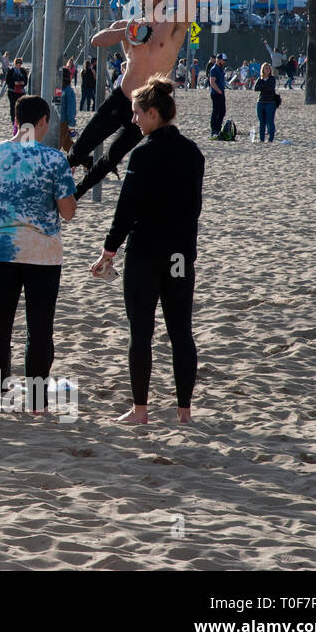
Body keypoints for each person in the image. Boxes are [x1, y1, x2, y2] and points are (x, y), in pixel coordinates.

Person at [66, 0, 228, 198]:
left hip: (149, 105)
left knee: (111, 158)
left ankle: (78, 192)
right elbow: (96, 41)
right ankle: (56, 184)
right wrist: (126, 32)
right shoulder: (131, 25)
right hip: (122, 98)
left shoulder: (175, 24)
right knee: (81, 147)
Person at [89, 78, 203, 425]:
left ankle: (140, 411)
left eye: (138, 114)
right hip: (180, 254)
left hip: (146, 253)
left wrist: (108, 252)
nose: (134, 120)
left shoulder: (143, 153)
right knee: (181, 330)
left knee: (142, 331)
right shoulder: (193, 153)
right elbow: (192, 209)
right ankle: (184, 412)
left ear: (153, 113)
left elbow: (126, 210)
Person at [0, 95, 77, 412]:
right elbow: (68, 212)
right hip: (43, 255)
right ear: (44, 122)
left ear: (16, 120)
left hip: (2, 250)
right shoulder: (53, 159)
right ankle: (35, 402)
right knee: (39, 328)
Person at [252, 63, 278, 143]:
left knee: (270, 121)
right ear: (262, 69)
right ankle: (261, 139)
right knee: (261, 122)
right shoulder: (260, 78)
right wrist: (264, 86)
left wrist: (263, 87)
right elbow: (255, 88)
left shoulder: (272, 78)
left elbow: (270, 88)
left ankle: (271, 139)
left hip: (270, 102)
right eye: (265, 68)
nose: (267, 70)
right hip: (261, 101)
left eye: (268, 68)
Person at [4, 56, 29, 129]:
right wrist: (14, 83)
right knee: (13, 106)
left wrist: (22, 83)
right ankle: (13, 120)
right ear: (15, 64)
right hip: (12, 91)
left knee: (21, 106)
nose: (19, 65)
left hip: (21, 91)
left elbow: (26, 81)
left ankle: (19, 119)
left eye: (20, 63)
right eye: (17, 63)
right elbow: (8, 81)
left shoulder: (23, 71)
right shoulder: (11, 71)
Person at [208, 52, 228, 140]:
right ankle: (214, 130)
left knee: (222, 111)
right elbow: (212, 82)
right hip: (216, 94)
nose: (224, 62)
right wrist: (219, 91)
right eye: (223, 60)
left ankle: (218, 128)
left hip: (221, 93)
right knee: (216, 112)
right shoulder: (214, 69)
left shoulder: (220, 69)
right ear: (218, 60)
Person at [57, 69, 77, 152]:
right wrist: (72, 123)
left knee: (67, 145)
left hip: (55, 119)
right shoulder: (69, 90)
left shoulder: (57, 89)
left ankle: (86, 161)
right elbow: (71, 109)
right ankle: (86, 161)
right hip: (64, 121)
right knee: (60, 145)